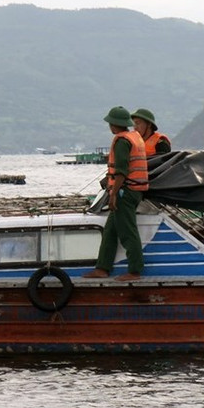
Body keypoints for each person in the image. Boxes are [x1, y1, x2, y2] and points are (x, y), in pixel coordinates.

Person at [83, 106, 149, 281]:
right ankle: (102, 268)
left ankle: (135, 270)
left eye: (111, 123)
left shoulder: (122, 141)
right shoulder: (135, 137)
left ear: (114, 124)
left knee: (128, 232)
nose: (110, 126)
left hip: (124, 192)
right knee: (110, 231)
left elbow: (121, 172)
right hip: (134, 190)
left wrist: (112, 195)